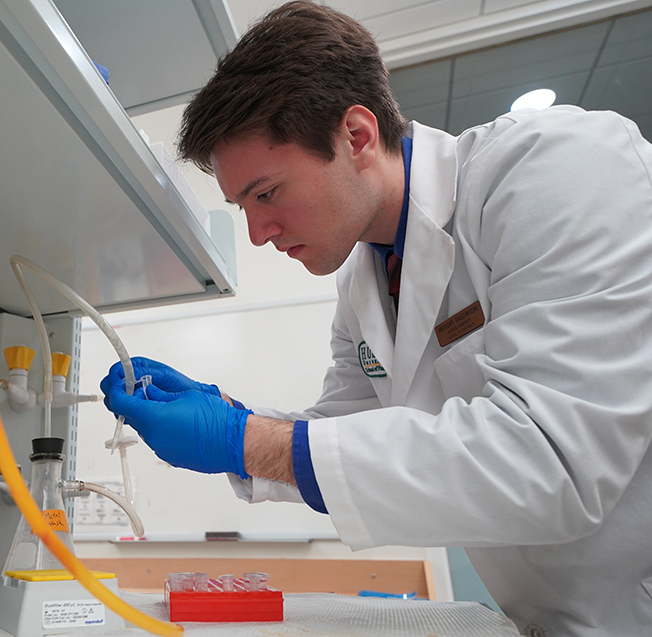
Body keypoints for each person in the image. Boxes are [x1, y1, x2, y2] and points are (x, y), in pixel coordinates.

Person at [100, 2, 652, 635]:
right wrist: (231, 415)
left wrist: (240, 438)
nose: (256, 234)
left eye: (266, 193)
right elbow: (353, 433)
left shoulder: (556, 168)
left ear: (356, 137)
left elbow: (552, 461)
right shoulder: (364, 283)